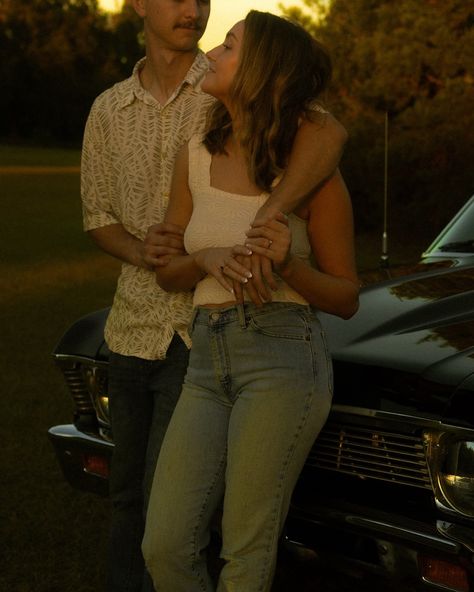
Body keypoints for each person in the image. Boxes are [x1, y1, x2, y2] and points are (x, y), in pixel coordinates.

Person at [80, 0, 347, 590]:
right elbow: (132, 239)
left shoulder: (273, 130)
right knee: (151, 526)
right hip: (173, 343)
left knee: (237, 545)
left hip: (256, 348)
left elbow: (345, 293)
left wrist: (282, 247)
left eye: (227, 41)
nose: (199, 18)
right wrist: (180, 256)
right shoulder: (152, 132)